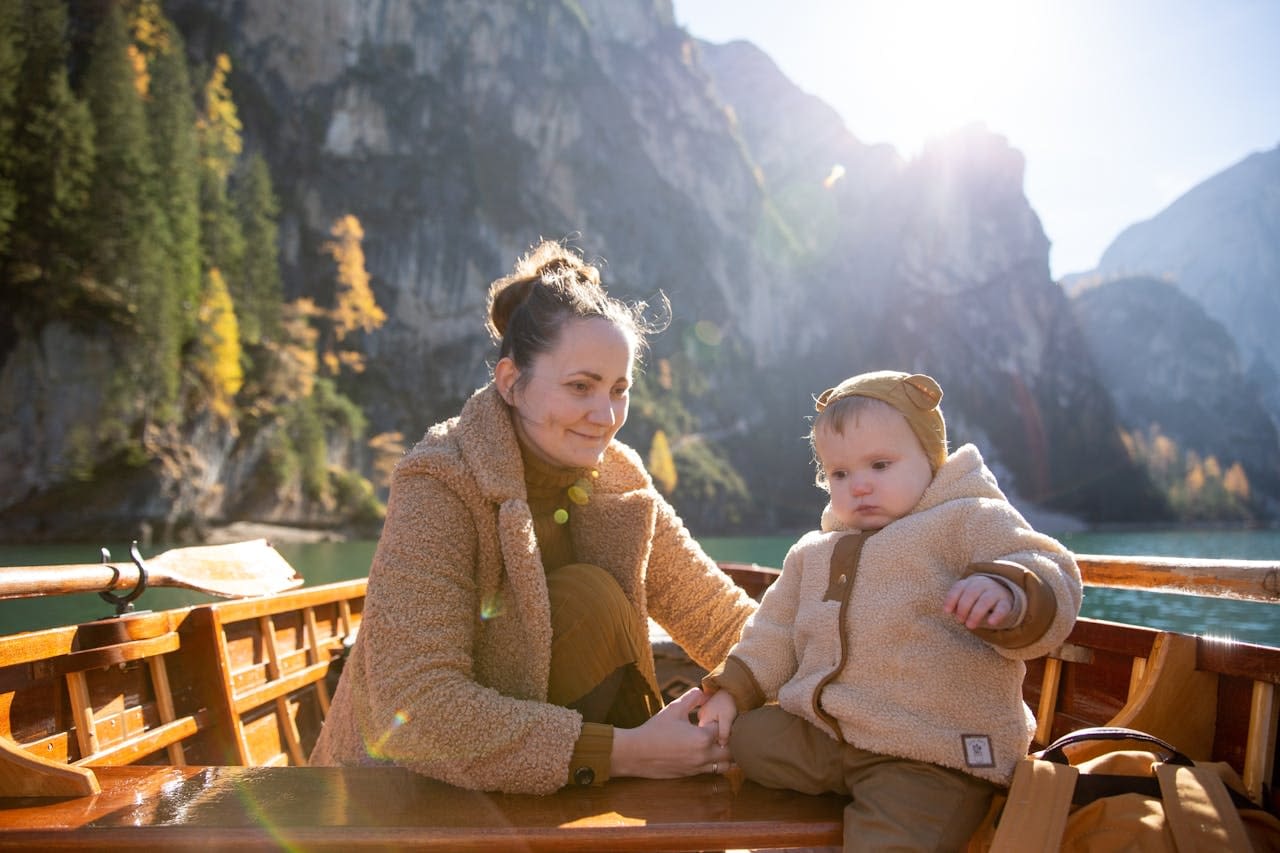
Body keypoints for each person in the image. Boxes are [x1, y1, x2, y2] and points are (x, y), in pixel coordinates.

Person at [311, 239, 757, 795]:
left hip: (558, 775)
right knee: (590, 597)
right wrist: (628, 752)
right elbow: (416, 707)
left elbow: (722, 619)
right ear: (509, 382)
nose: (606, 416)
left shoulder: (619, 481)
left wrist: (756, 682)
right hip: (402, 795)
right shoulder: (441, 480)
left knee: (593, 598)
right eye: (580, 387)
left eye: (619, 390)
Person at [697, 370, 1083, 850]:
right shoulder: (813, 552)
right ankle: (834, 777)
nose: (859, 486)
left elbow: (1048, 564)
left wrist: (1006, 590)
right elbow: (773, 630)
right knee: (749, 739)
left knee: (895, 835)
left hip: (930, 748)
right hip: (830, 734)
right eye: (840, 474)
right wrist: (731, 692)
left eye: (880, 465)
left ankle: (920, 805)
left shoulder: (966, 518)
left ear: (931, 459)